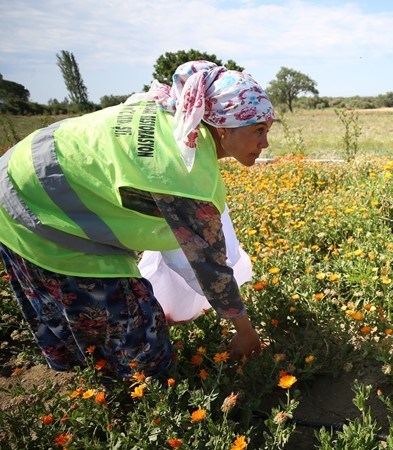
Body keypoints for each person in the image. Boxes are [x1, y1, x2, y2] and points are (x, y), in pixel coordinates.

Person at [0, 61, 271, 379]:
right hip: (38, 209)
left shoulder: (173, 118)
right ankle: (136, 400)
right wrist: (245, 331)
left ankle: (108, 380)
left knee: (107, 316)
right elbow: (207, 266)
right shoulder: (185, 174)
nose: (265, 143)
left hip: (20, 171)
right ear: (224, 128)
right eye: (259, 130)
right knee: (138, 337)